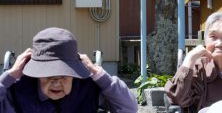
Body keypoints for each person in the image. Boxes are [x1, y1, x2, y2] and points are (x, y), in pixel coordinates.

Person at [0, 27, 138, 113]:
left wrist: (98, 73)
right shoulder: (17, 91)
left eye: (64, 75)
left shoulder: (89, 89)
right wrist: (9, 76)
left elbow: (129, 108)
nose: (56, 83)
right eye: (48, 75)